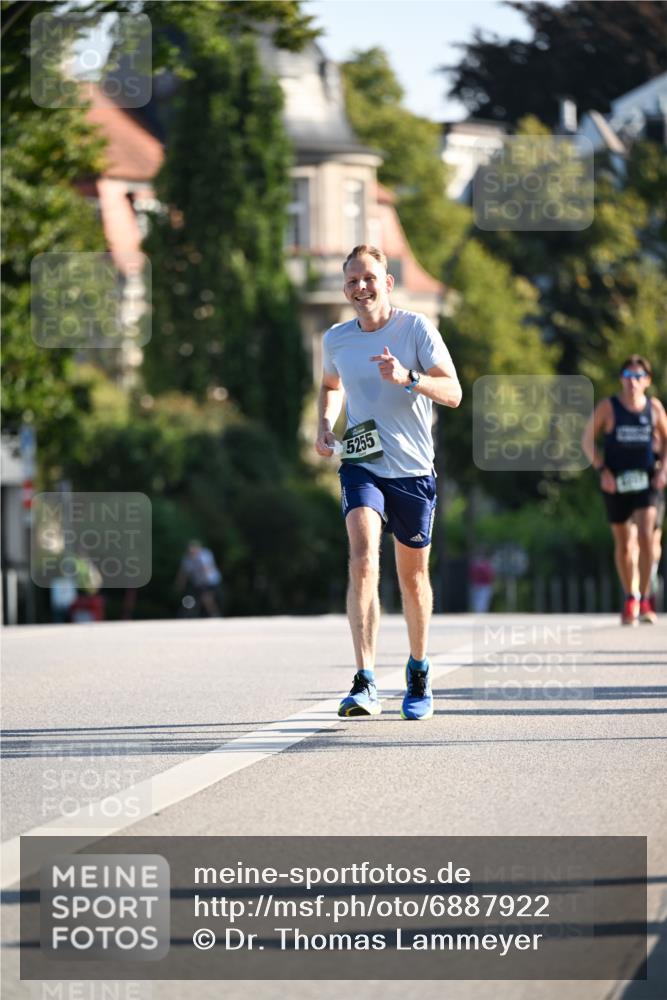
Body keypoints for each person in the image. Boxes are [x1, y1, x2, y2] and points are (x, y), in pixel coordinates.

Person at [315, 245, 461, 720]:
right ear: (345, 289)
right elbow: (332, 386)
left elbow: (454, 393)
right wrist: (324, 423)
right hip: (362, 463)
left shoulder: (415, 329)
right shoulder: (336, 339)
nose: (362, 288)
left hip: (414, 471)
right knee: (361, 555)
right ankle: (365, 679)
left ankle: (418, 671)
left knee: (413, 579)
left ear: (388, 283)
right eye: (353, 281)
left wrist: (409, 377)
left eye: (369, 279)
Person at [581, 355, 667, 625]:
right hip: (616, 483)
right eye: (629, 377)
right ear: (621, 379)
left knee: (645, 535)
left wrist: (664, 471)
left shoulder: (653, 408)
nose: (633, 382)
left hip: (648, 482)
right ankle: (630, 595)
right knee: (625, 544)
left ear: (647, 381)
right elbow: (586, 441)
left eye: (639, 377)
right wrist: (602, 470)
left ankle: (644, 599)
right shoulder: (609, 407)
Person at [175, 540, 223, 617]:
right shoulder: (187, 560)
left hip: (210, 581)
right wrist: (180, 584)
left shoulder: (205, 555)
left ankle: (215, 615)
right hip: (198, 583)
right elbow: (183, 574)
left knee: (207, 598)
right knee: (198, 599)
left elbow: (207, 568)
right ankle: (208, 615)